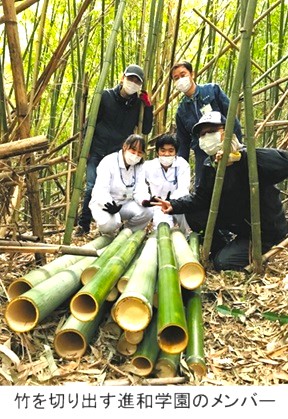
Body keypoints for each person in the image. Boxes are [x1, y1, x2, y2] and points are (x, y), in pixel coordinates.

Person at [152, 111, 288, 271]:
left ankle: (237, 251)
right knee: (194, 214)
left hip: (263, 231)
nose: (206, 137)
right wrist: (173, 205)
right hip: (237, 224)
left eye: (211, 131)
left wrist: (240, 158)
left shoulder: (251, 158)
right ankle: (224, 245)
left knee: (222, 263)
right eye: (202, 135)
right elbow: (200, 199)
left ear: (226, 132)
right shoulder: (210, 165)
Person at [75, 64, 154, 236]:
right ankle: (84, 225)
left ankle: (116, 223)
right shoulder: (105, 96)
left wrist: (148, 106)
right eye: (130, 78)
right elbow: (90, 124)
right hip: (97, 148)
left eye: (136, 81)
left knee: (116, 189)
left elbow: (146, 129)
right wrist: (85, 149)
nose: (132, 83)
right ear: (122, 77)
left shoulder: (137, 105)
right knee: (91, 187)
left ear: (140, 85)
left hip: (119, 153)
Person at [170, 60, 242, 187]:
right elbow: (183, 144)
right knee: (203, 188)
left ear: (192, 74)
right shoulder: (181, 111)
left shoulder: (212, 90)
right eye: (176, 78)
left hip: (226, 147)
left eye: (183, 75)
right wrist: (179, 170)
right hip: (202, 153)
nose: (180, 79)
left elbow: (231, 118)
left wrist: (237, 145)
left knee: (234, 184)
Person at [89, 134, 153, 235]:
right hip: (106, 205)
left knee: (148, 211)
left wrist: (145, 201)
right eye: (133, 150)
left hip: (126, 203)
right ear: (124, 146)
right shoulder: (108, 162)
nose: (136, 155)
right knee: (110, 224)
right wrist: (109, 204)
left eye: (139, 152)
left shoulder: (139, 166)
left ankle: (125, 232)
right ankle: (107, 234)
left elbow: (140, 189)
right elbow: (101, 190)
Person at [143, 133, 191, 234]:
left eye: (171, 151)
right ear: (157, 152)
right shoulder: (148, 166)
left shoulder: (182, 165)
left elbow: (183, 188)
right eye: (163, 150)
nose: (166, 154)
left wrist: (172, 202)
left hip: (178, 203)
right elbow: (139, 185)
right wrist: (146, 198)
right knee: (163, 229)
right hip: (159, 206)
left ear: (176, 152)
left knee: (187, 223)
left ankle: (187, 238)